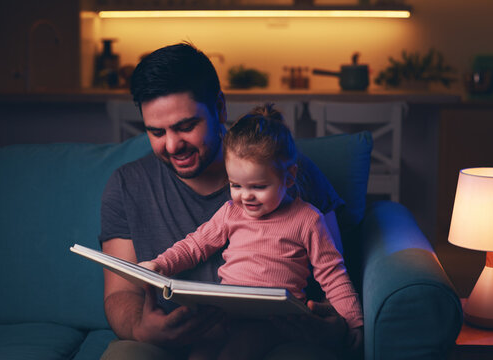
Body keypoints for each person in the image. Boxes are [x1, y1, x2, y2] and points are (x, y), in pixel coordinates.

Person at [99, 41, 360, 360]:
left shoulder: (290, 172)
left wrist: (344, 328)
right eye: (156, 132)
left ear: (220, 107)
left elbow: (335, 271)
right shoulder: (128, 184)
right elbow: (122, 291)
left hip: (279, 332)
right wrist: (141, 328)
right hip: (172, 338)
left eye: (186, 126)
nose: (172, 145)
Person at [138, 104, 363, 359]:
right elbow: (195, 246)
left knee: (237, 350)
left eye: (258, 186)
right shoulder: (231, 211)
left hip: (275, 319)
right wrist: (160, 265)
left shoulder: (307, 219)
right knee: (199, 353)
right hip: (228, 311)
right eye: (236, 185)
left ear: (289, 178)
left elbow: (333, 273)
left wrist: (353, 321)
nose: (246, 197)